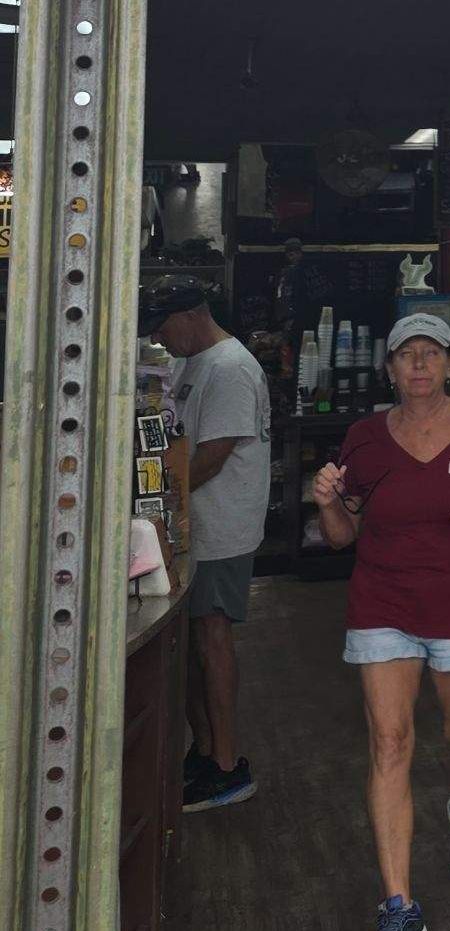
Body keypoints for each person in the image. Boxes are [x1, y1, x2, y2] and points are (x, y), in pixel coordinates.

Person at [307, 312, 450, 931]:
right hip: (384, 602)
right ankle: (399, 906)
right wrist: (325, 500)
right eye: (408, 355)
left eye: (432, 354)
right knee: (390, 740)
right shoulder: (365, 437)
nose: (420, 365)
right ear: (390, 368)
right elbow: (343, 535)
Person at [152, 285, 272, 813]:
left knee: (212, 637)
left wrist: (157, 496)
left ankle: (226, 766)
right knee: (191, 646)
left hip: (221, 529)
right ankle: (203, 753)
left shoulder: (230, 367)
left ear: (192, 315)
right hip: (190, 525)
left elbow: (212, 456)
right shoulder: (190, 363)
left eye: (162, 327)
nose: (158, 338)